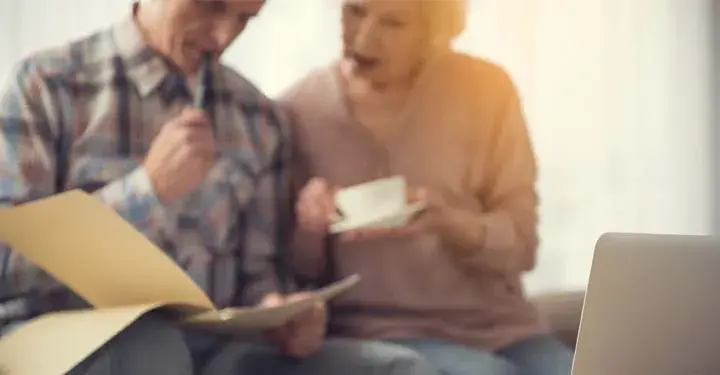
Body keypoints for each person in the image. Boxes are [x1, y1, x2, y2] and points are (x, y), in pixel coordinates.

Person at [0, 0, 439, 374]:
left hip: (217, 346)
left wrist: (278, 311)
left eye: (245, 18)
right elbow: (6, 267)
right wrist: (146, 192)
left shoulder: (258, 118)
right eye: (210, 4)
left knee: (396, 367)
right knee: (153, 348)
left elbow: (260, 274)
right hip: (68, 341)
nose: (223, 35)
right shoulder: (45, 86)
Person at [283, 0, 575, 374]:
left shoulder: (486, 91)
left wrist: (452, 222)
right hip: (377, 333)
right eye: (355, 10)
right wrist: (308, 228)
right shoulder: (298, 110)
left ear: (433, 34)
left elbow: (522, 248)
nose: (365, 36)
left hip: (505, 328)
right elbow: (296, 280)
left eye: (393, 23)